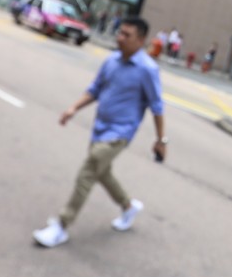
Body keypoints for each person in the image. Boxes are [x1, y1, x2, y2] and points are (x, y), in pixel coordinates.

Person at [33, 16, 167, 248]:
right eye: (120, 32)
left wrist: (160, 140)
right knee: (102, 172)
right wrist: (73, 108)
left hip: (120, 133)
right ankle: (128, 206)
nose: (120, 38)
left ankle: (62, 226)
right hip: (100, 129)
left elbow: (157, 107)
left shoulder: (147, 69)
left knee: (89, 170)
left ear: (141, 40)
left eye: (127, 35)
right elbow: (95, 90)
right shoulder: (112, 61)